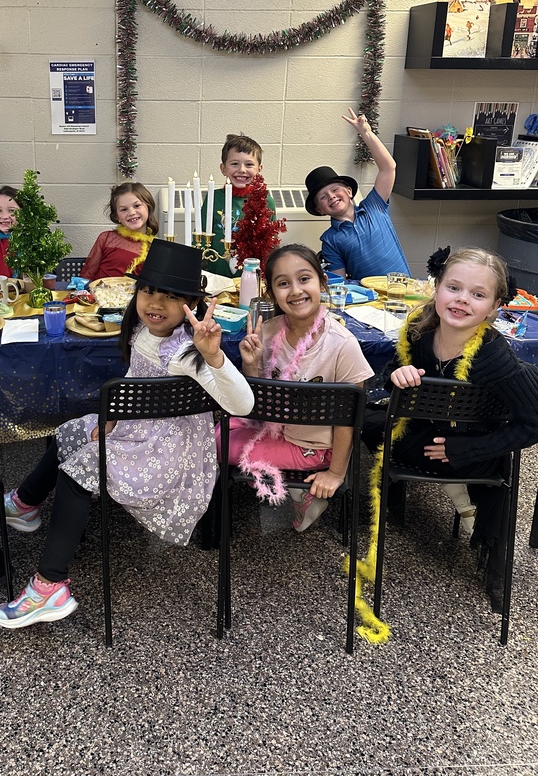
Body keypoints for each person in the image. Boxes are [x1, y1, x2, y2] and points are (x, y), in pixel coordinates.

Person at [0, 240, 254, 627]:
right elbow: (131, 382)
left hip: (169, 451)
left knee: (82, 470)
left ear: (190, 304)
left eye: (171, 296)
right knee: (71, 432)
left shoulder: (184, 352)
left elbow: (242, 405)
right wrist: (107, 423)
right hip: (135, 427)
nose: (156, 302)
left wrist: (213, 355)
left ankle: (49, 586)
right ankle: (25, 505)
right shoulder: (142, 328)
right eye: (149, 290)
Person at [362, 247, 538, 627]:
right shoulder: (418, 330)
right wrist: (397, 376)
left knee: (491, 478)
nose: (461, 300)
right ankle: (401, 499)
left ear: (493, 307)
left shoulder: (494, 358)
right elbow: (393, 368)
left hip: (474, 446)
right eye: (453, 287)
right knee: (365, 418)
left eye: (478, 294)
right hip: (427, 431)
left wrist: (465, 449)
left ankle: (480, 530)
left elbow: (533, 421)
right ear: (436, 288)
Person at [224, 244, 373, 531]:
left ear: (322, 282)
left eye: (304, 279)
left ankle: (303, 494)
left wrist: (336, 473)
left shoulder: (342, 345)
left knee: (215, 444)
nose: (295, 291)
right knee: (214, 428)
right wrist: (251, 364)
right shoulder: (268, 331)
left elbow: (349, 420)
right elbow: (254, 401)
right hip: (274, 428)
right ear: (271, 294)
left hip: (314, 446)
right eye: (283, 283)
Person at [304, 108, 409, 281]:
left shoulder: (375, 207)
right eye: (323, 197)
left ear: (349, 191)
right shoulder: (331, 240)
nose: (331, 196)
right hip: (369, 301)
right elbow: (340, 282)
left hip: (404, 289)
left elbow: (388, 167)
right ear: (319, 209)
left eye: (335, 189)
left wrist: (366, 133)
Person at [202, 133, 277, 278]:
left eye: (249, 164)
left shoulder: (266, 202)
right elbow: (201, 237)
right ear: (223, 168)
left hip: (252, 276)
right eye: (234, 164)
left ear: (259, 169)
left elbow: (270, 243)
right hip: (216, 276)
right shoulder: (214, 198)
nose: (242, 169)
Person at [80, 182, 158, 281]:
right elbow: (87, 275)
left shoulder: (155, 248)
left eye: (137, 206)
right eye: (124, 209)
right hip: (101, 293)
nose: (132, 212)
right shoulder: (107, 238)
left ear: (148, 207)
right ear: (117, 217)